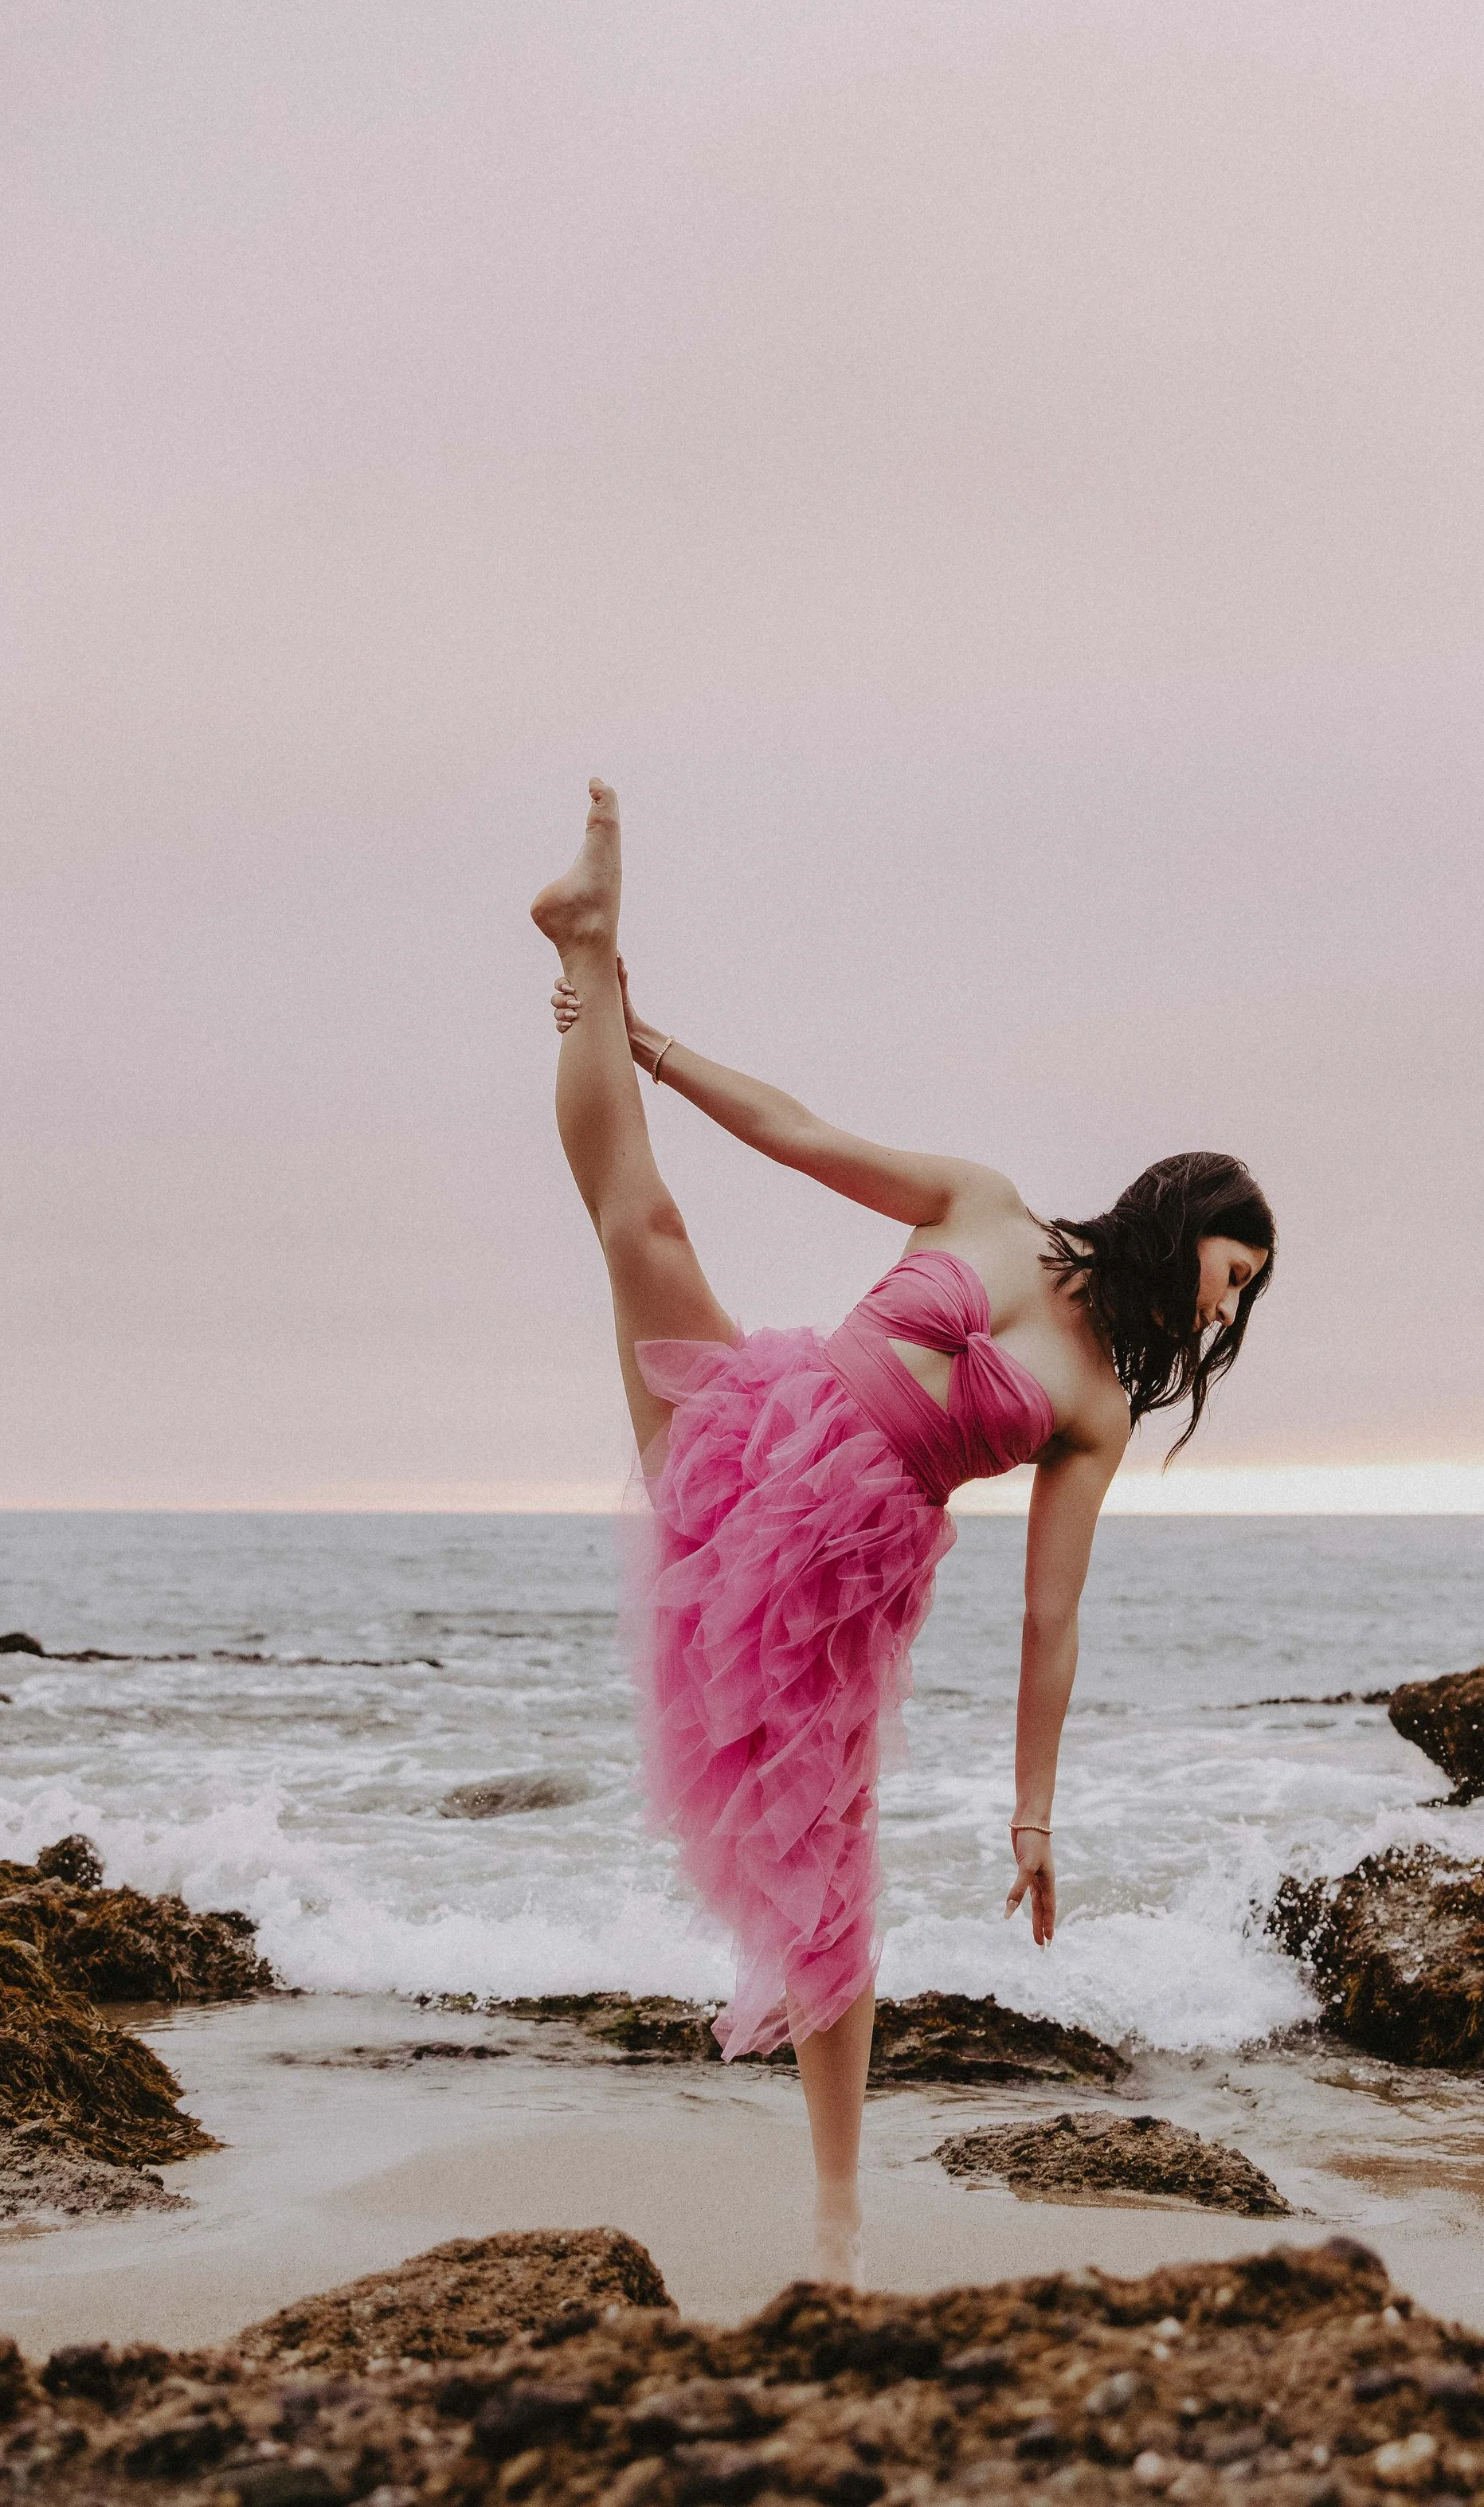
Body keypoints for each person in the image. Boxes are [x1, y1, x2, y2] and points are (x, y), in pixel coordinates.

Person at [532, 781, 1274, 2278]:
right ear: (1183, 1212)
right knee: (644, 1227)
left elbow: (1049, 1623)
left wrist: (1034, 1814)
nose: (1232, 1303)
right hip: (765, 1424)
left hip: (837, 1574)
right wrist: (636, 1034)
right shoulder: (983, 1203)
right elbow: (802, 1134)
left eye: (1249, 1292)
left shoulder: (1099, 1412)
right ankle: (589, 946)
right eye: (1235, 1267)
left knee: (827, 1871)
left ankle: (836, 2209)